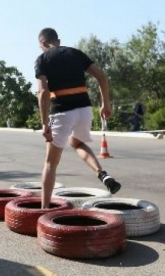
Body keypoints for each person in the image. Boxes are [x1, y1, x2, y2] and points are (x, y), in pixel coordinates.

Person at [34, 27, 121, 209]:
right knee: (78, 144)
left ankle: (44, 211)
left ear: (42, 43)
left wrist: (44, 123)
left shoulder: (42, 59)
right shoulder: (75, 53)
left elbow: (43, 92)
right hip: (84, 109)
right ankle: (102, 173)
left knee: (50, 163)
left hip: (62, 112)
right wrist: (106, 104)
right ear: (58, 40)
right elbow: (102, 77)